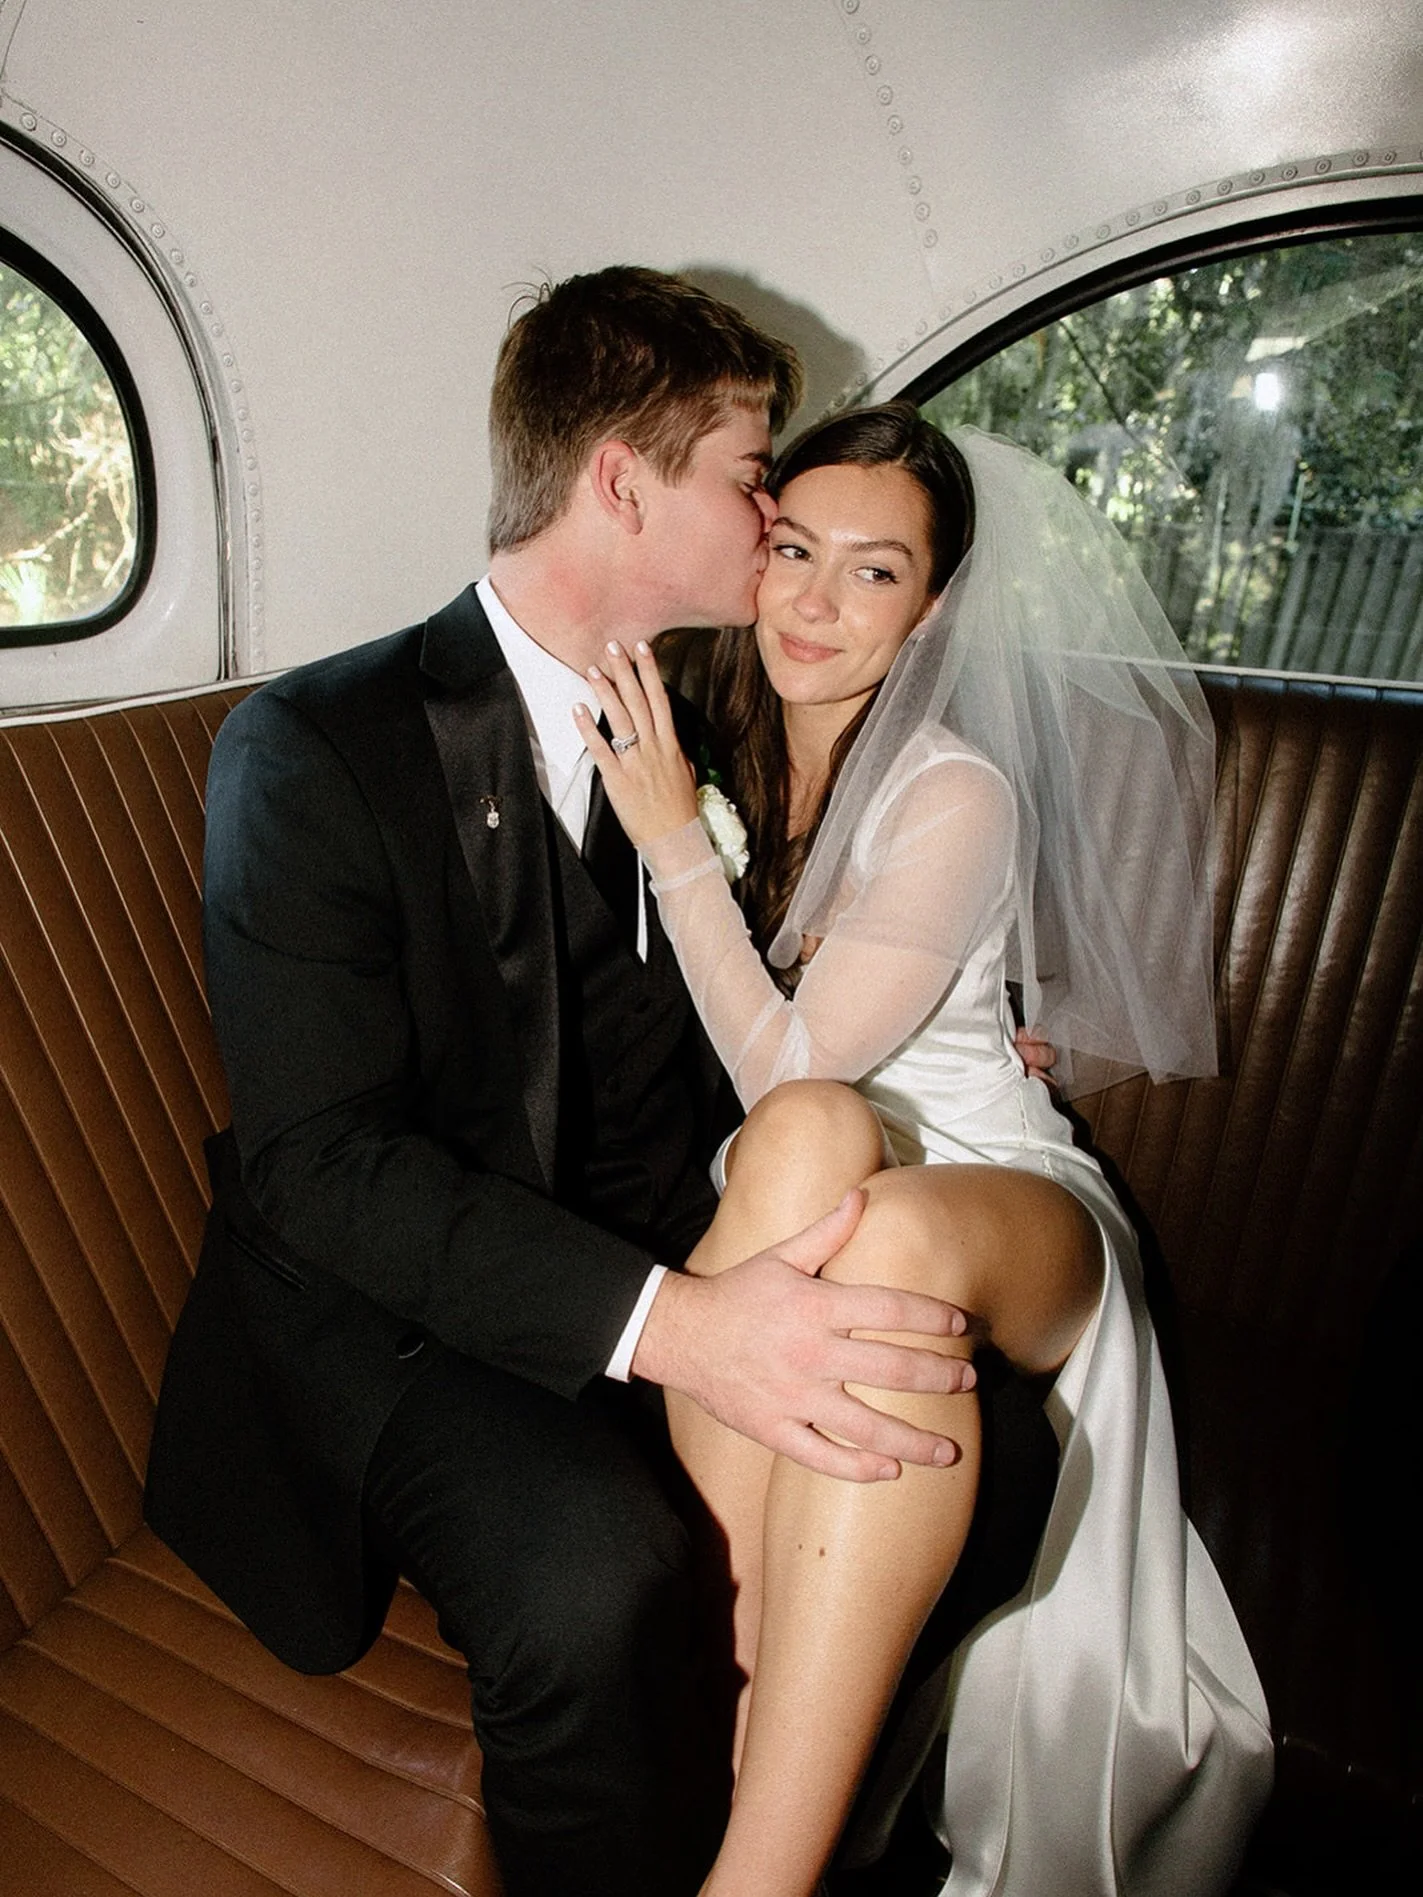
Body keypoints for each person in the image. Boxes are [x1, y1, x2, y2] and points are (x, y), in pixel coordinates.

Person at [144, 271, 1060, 1897]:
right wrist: (686, 1328)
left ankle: (789, 1828)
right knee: (599, 1568)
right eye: (747, 473)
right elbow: (321, 1171)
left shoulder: (706, 719)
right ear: (624, 485)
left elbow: (749, 1031)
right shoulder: (312, 747)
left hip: (644, 1247)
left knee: (958, 1438)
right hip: (395, 1310)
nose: (772, 510)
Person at [579, 403, 1275, 1897]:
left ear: (935, 604)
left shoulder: (956, 790)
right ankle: (757, 1688)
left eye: (875, 571)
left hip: (1010, 1209)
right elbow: (783, 1093)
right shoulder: (718, 749)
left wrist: (672, 849)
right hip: (819, 1170)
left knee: (852, 1192)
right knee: (817, 1152)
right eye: (790, 550)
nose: (817, 604)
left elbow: (785, 1056)